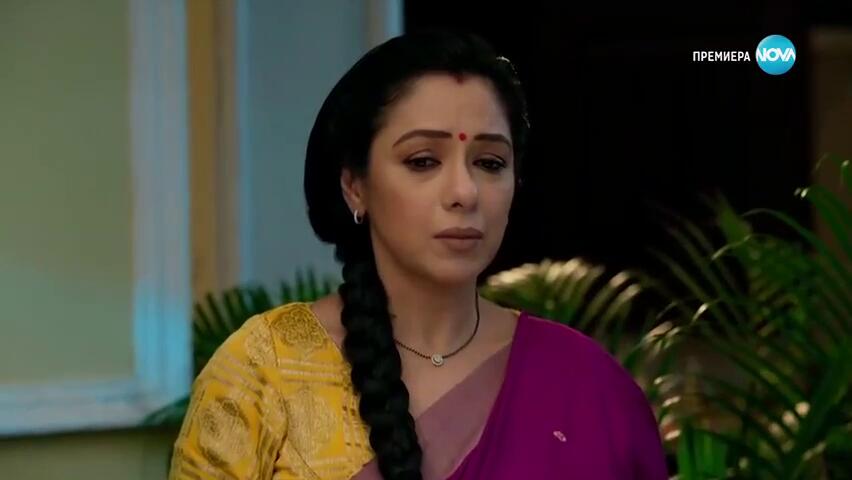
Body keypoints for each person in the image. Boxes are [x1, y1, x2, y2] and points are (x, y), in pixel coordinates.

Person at [168, 29, 668, 480]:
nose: (464, 192)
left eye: (490, 162)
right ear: (355, 186)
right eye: (423, 161)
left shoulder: (588, 388)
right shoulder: (262, 374)